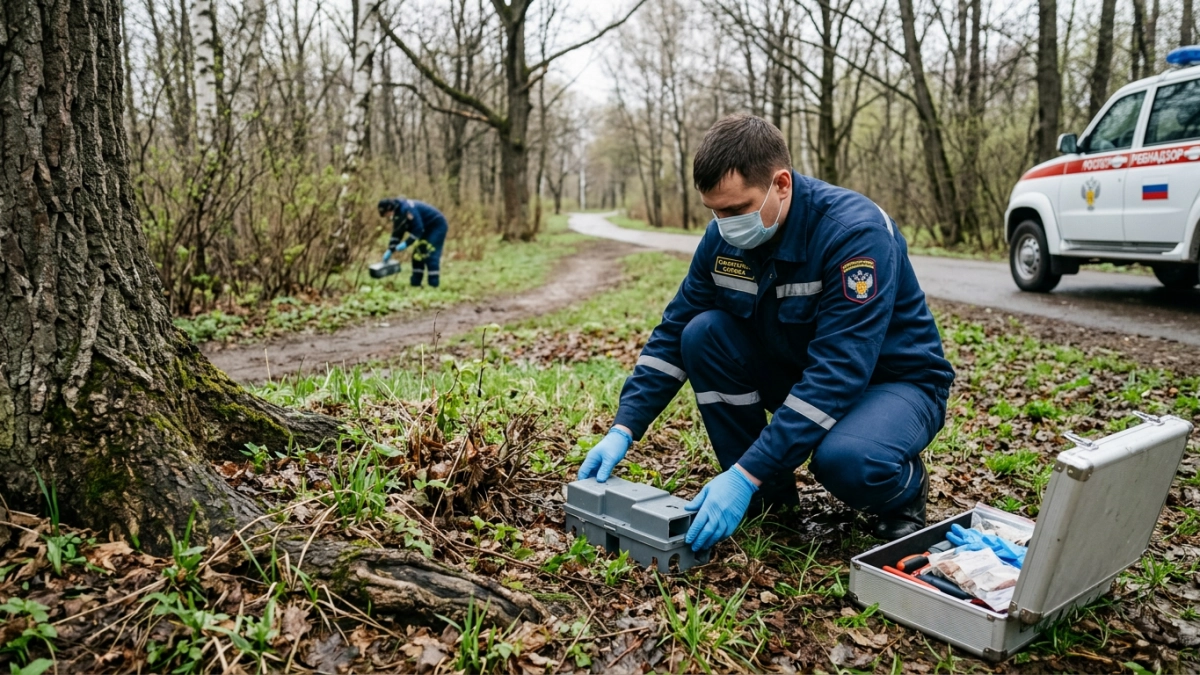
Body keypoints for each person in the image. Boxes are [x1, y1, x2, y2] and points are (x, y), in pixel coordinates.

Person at [577, 114, 955, 553]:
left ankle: (904, 492)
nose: (725, 224)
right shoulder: (723, 238)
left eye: (737, 209)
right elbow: (674, 329)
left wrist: (742, 474)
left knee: (847, 461)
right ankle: (769, 496)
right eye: (715, 211)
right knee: (702, 334)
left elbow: (839, 372)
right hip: (800, 369)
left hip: (893, 383)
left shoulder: (854, 234)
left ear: (782, 184)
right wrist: (624, 427)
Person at [377, 197, 449, 287]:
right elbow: (397, 233)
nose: (388, 216)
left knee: (430, 254)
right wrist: (390, 249)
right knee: (417, 255)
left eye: (387, 214)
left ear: (390, 209)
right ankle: (416, 284)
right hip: (425, 229)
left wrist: (406, 243)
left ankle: (433, 285)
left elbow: (418, 229)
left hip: (436, 226)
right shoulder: (397, 214)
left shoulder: (407, 209)